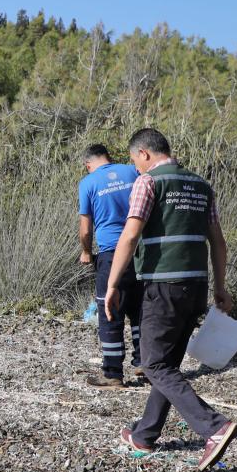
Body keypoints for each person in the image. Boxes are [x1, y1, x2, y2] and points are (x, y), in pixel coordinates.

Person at [105, 128, 237, 472]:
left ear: (145, 154)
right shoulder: (201, 185)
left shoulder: (149, 182)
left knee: (154, 365)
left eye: (135, 160)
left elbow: (131, 233)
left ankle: (214, 427)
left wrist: (112, 283)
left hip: (163, 285)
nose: (135, 167)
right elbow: (218, 242)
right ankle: (144, 435)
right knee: (167, 365)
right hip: (195, 286)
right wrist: (220, 286)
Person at [77, 143, 142, 388]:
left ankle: (113, 373)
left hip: (111, 252)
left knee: (109, 309)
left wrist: (85, 252)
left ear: (88, 164)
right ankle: (143, 363)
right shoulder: (132, 171)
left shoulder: (88, 183)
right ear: (109, 157)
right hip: (139, 250)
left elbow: (85, 228)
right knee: (139, 308)